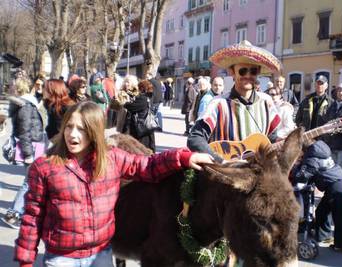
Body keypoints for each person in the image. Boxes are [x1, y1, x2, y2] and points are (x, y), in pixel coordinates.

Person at [13, 101, 212, 267]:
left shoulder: (111, 159)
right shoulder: (45, 167)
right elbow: (32, 216)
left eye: (82, 129)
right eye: (69, 126)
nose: (73, 135)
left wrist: (185, 157)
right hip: (61, 258)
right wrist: (25, 260)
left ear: (95, 132)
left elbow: (149, 165)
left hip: (101, 255)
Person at [187, 40, 283, 162]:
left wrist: (287, 143)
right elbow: (195, 138)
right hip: (225, 176)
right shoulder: (218, 104)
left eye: (253, 71)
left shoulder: (266, 102)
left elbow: (271, 138)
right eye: (242, 71)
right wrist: (221, 161)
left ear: (258, 72)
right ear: (232, 72)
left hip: (257, 175)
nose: (248, 75)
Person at [1, 79, 45, 229]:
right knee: (29, 182)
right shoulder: (25, 107)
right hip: (31, 148)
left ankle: (18, 212)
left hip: (33, 146)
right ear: (28, 88)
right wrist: (28, 155)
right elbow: (24, 133)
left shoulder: (26, 103)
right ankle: (12, 214)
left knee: (30, 181)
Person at [293, 140, 342, 252]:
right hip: (338, 182)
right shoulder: (321, 149)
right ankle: (324, 236)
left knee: (339, 217)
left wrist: (296, 167)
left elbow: (302, 176)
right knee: (322, 211)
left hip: (334, 187)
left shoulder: (311, 159)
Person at [124, 80, 157, 152]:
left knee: (141, 149)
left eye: (139, 88)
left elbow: (132, 107)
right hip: (147, 127)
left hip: (141, 127)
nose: (138, 89)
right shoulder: (149, 97)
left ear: (142, 88)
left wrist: (125, 103)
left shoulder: (143, 98)